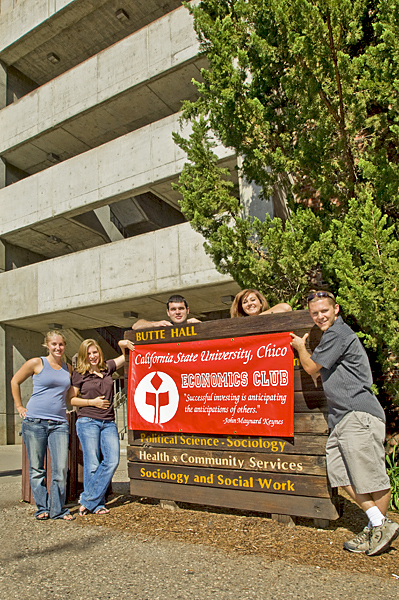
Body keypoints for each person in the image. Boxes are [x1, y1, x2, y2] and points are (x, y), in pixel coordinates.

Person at [290, 290, 399, 556]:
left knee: (370, 476)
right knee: (340, 472)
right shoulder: (330, 335)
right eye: (314, 313)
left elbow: (312, 367)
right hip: (342, 418)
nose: (320, 316)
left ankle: (377, 529)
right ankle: (378, 524)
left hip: (358, 413)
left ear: (336, 309)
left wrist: (301, 348)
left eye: (324, 311)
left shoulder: (338, 333)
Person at [11, 330, 74, 521]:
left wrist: (71, 406)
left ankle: (57, 509)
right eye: (54, 344)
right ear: (47, 345)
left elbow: (69, 394)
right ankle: (42, 507)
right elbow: (15, 381)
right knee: (37, 468)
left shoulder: (68, 368)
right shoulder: (36, 363)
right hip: (35, 422)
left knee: (60, 468)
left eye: (61, 344)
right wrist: (20, 406)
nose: (58, 348)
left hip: (59, 424)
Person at [69, 337, 134, 515]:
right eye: (88, 353)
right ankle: (97, 505)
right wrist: (91, 402)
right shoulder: (79, 373)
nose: (92, 356)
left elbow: (125, 357)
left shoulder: (107, 367)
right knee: (92, 464)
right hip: (87, 421)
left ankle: (88, 499)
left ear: (99, 352)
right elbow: (71, 399)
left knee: (112, 461)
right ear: (84, 355)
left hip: (108, 422)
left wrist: (122, 344)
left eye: (95, 352)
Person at [132, 294, 201, 329]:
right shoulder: (164, 326)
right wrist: (155, 324)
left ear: (187, 310)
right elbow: (136, 326)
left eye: (181, 308)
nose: (177, 312)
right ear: (168, 312)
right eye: (173, 309)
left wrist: (203, 326)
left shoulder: (196, 325)